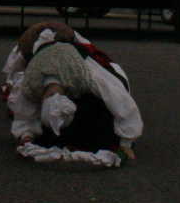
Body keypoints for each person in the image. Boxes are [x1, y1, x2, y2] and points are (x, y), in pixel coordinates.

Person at [8, 36, 142, 168]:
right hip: (49, 58)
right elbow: (23, 112)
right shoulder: (30, 82)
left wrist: (126, 143)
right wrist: (26, 135)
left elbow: (122, 102)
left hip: (84, 67)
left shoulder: (86, 75)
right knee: (48, 136)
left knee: (103, 125)